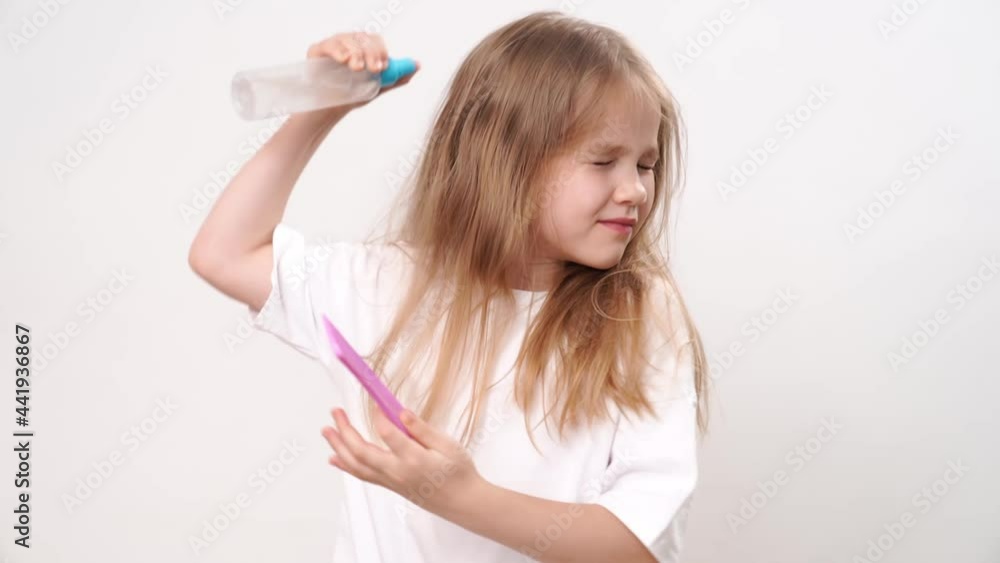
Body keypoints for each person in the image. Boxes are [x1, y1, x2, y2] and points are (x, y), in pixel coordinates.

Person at [189, 10, 709, 563]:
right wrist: (320, 107)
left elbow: (637, 547)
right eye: (604, 161)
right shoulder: (388, 285)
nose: (635, 190)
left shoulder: (639, 317)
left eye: (645, 165)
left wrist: (462, 497)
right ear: (507, 160)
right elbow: (224, 254)